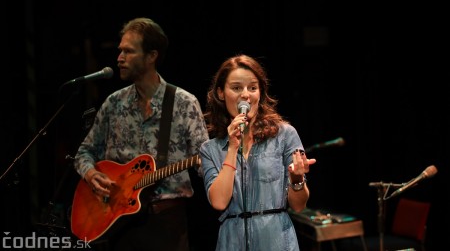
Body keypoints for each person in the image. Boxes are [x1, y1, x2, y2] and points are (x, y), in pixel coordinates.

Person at [73, 17, 209, 251]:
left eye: (128, 51)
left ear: (152, 56)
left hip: (167, 225)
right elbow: (84, 152)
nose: (119, 58)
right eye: (120, 51)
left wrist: (227, 160)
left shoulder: (183, 103)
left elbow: (205, 163)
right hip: (118, 225)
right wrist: (91, 175)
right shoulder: (113, 104)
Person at [199, 54, 316, 251]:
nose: (245, 95)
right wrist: (232, 148)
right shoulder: (209, 149)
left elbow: (298, 206)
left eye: (252, 88)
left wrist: (297, 179)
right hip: (232, 242)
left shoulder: (284, 135)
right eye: (236, 88)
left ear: (260, 93)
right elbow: (219, 202)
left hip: (276, 240)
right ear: (221, 92)